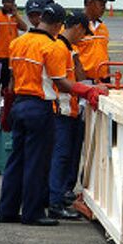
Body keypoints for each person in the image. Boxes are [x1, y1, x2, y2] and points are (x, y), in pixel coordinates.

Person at [0, 2, 106, 226]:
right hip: (40, 107)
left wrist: (8, 109)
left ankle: (7, 210)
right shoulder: (53, 47)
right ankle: (33, 213)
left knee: (16, 161)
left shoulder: (18, 42)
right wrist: (88, 90)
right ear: (57, 25)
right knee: (37, 163)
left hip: (19, 104)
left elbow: (11, 80)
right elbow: (61, 83)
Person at [48, 12, 94, 220]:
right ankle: (55, 202)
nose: (82, 38)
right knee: (60, 156)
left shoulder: (66, 48)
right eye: (83, 33)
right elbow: (60, 81)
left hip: (68, 109)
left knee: (64, 156)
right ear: (77, 27)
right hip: (61, 110)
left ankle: (57, 195)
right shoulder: (60, 48)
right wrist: (86, 91)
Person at [0, 0, 27, 95]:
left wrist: (16, 14)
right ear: (2, 2)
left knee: (7, 84)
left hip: (11, 56)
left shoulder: (15, 17)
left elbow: (24, 28)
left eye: (11, 2)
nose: (8, 4)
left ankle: (4, 105)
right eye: (6, 2)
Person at [75, 0, 114, 83]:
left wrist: (108, 76)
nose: (104, 8)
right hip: (85, 80)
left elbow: (105, 54)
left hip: (103, 79)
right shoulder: (76, 26)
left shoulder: (103, 27)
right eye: (101, 4)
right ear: (89, 3)